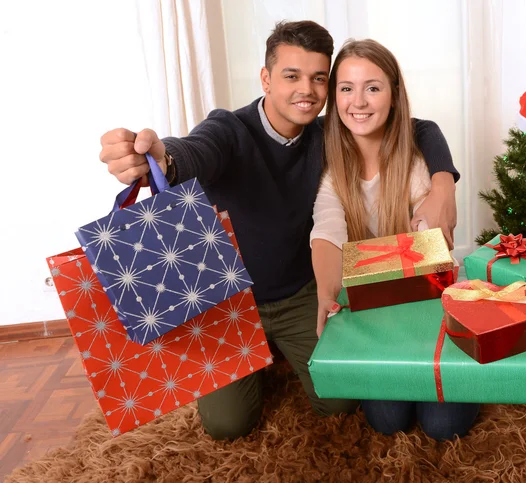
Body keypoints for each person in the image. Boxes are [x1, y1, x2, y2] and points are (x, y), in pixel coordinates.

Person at [99, 20, 459, 441]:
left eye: (318, 79)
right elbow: (195, 151)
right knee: (226, 425)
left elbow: (416, 128)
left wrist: (443, 180)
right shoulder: (229, 131)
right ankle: (259, 358)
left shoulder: (328, 136)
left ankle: (279, 349)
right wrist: (162, 159)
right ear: (266, 79)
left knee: (340, 402)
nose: (305, 90)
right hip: (226, 302)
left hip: (297, 295)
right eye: (291, 76)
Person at [310, 39, 479, 441]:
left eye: (373, 87)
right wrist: (325, 290)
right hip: (373, 311)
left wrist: (442, 189)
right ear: (334, 97)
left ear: (393, 94)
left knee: (443, 427)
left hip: (423, 303)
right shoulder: (329, 163)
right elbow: (327, 229)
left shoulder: (418, 160)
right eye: (347, 88)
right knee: (387, 421)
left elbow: (429, 246)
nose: (359, 101)